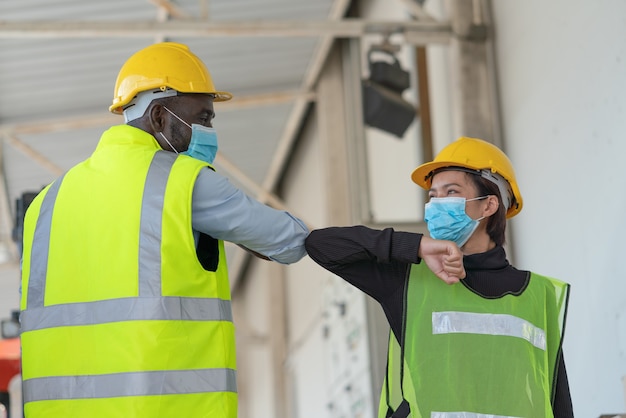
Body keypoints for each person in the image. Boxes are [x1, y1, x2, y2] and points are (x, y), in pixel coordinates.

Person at [19, 42, 309, 418]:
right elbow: (288, 241)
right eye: (203, 118)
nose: (208, 131)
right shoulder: (181, 182)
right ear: (158, 116)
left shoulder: (45, 204)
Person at [305, 137, 572, 417]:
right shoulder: (408, 281)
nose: (436, 205)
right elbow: (321, 245)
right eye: (433, 196)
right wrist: (416, 246)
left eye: (451, 192)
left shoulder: (538, 295)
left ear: (489, 205)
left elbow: (558, 400)